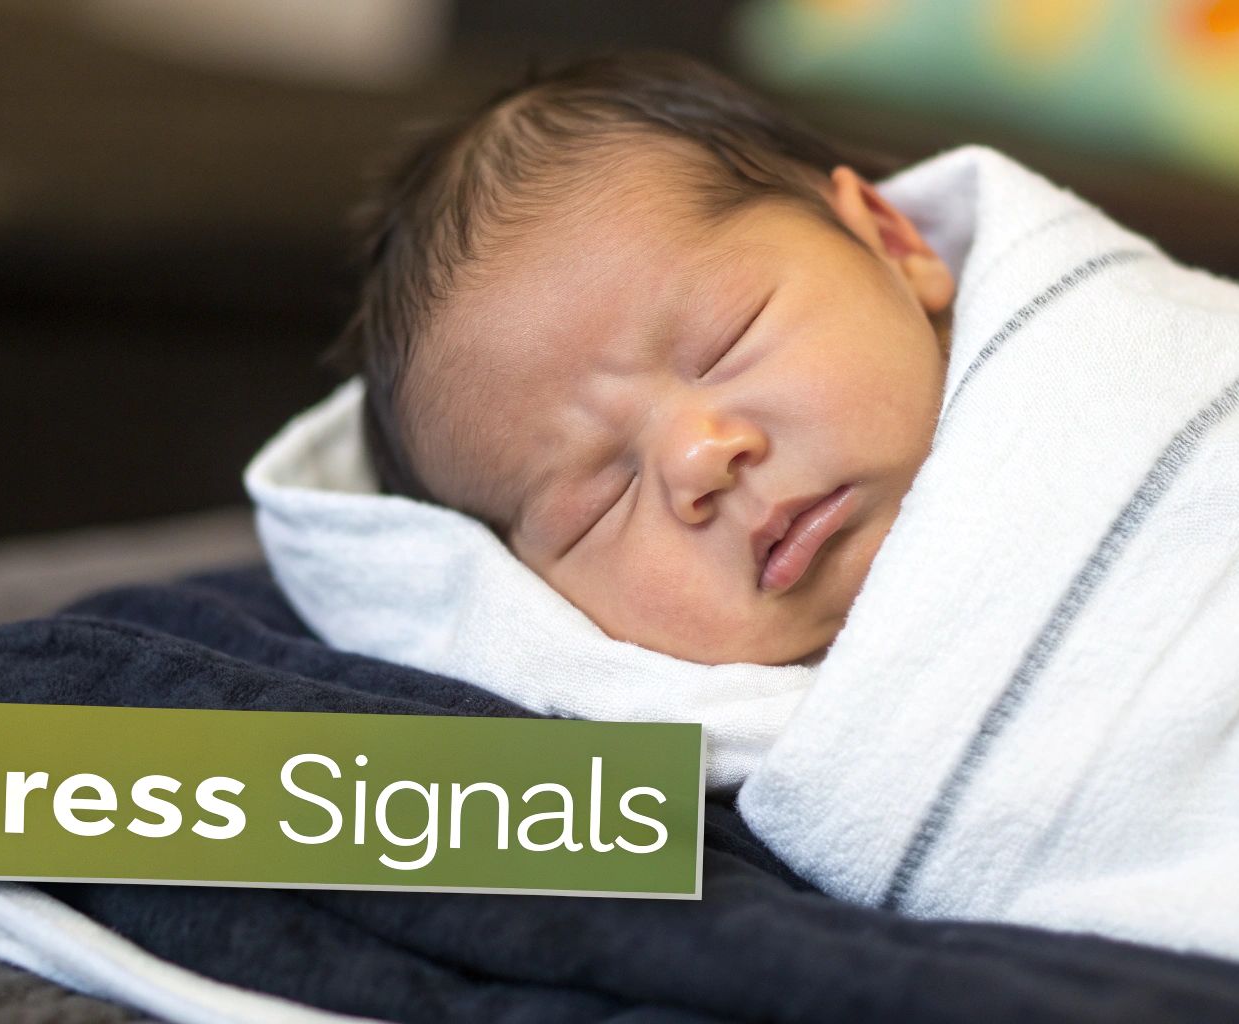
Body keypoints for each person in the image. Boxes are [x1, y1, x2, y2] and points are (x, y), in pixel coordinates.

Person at [331, 51, 956, 666]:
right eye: (602, 501)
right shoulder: (638, 758)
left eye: (728, 341)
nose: (699, 459)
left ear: (892, 242)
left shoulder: (1049, 364)